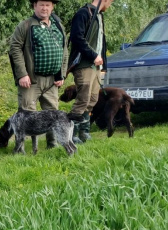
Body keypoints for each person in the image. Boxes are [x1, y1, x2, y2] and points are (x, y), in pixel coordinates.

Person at [9, 0, 67, 148]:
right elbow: (14, 48)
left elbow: (64, 50)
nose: (44, 8)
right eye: (41, 4)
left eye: (48, 5)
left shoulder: (58, 25)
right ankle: (21, 148)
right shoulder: (25, 25)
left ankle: (52, 145)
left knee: (53, 112)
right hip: (31, 80)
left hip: (52, 79)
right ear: (34, 6)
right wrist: (22, 74)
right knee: (26, 113)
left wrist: (62, 74)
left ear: (52, 7)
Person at [68, 0, 114, 144]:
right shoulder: (83, 13)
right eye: (110, 2)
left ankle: (84, 132)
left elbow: (102, 42)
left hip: (96, 66)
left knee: (93, 99)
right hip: (83, 64)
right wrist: (93, 55)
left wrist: (104, 66)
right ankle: (71, 134)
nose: (110, 5)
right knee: (83, 99)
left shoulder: (99, 16)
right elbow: (76, 38)